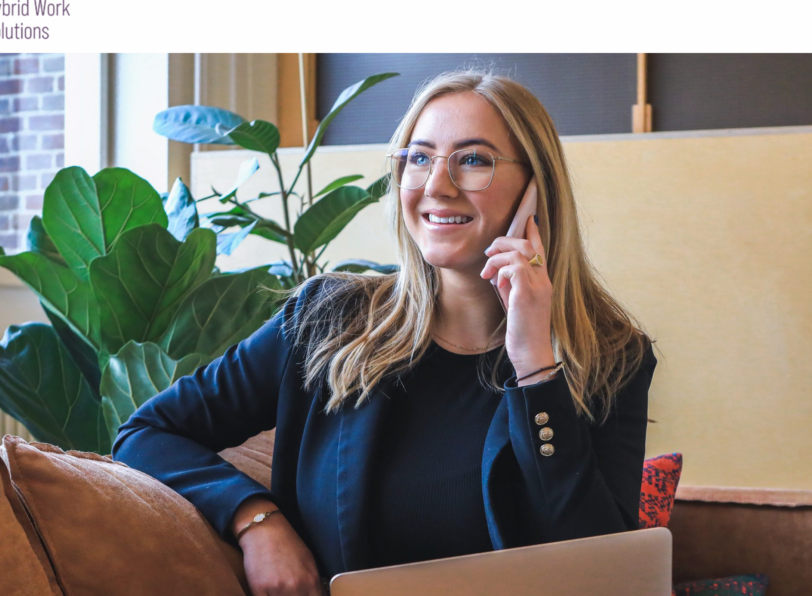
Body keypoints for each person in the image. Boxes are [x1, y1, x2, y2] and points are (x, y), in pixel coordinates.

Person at [111, 67, 659, 596]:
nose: (437, 185)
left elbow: (602, 570)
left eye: (473, 160)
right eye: (418, 158)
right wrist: (256, 519)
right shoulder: (327, 320)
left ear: (536, 189)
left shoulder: (611, 357)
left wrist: (536, 366)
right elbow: (146, 434)